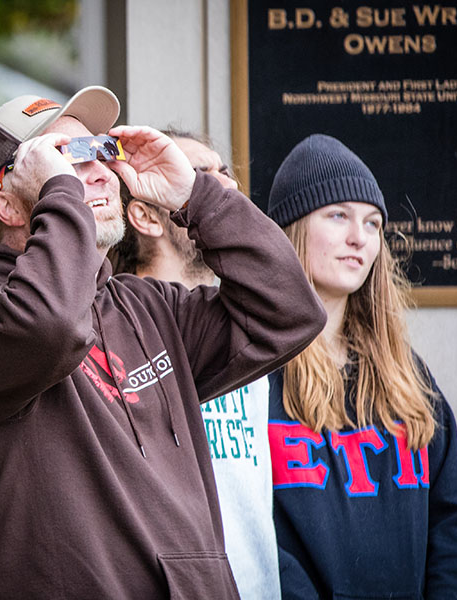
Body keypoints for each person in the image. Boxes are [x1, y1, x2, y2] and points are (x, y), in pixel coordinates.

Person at [0, 86, 327, 599]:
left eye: (100, 149)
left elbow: (289, 310)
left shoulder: (148, 307)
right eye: (62, 158)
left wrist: (196, 197)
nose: (97, 169)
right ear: (6, 204)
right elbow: (50, 326)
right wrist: (63, 196)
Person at [265, 134, 457, 599]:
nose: (359, 237)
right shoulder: (255, 371)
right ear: (293, 228)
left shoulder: (407, 374)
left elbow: (452, 524)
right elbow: (256, 536)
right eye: (337, 215)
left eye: (373, 222)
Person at [110, 129, 281, 599]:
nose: (221, 189)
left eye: (223, 174)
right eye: (197, 177)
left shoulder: (245, 325)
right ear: (145, 213)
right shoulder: (115, 336)